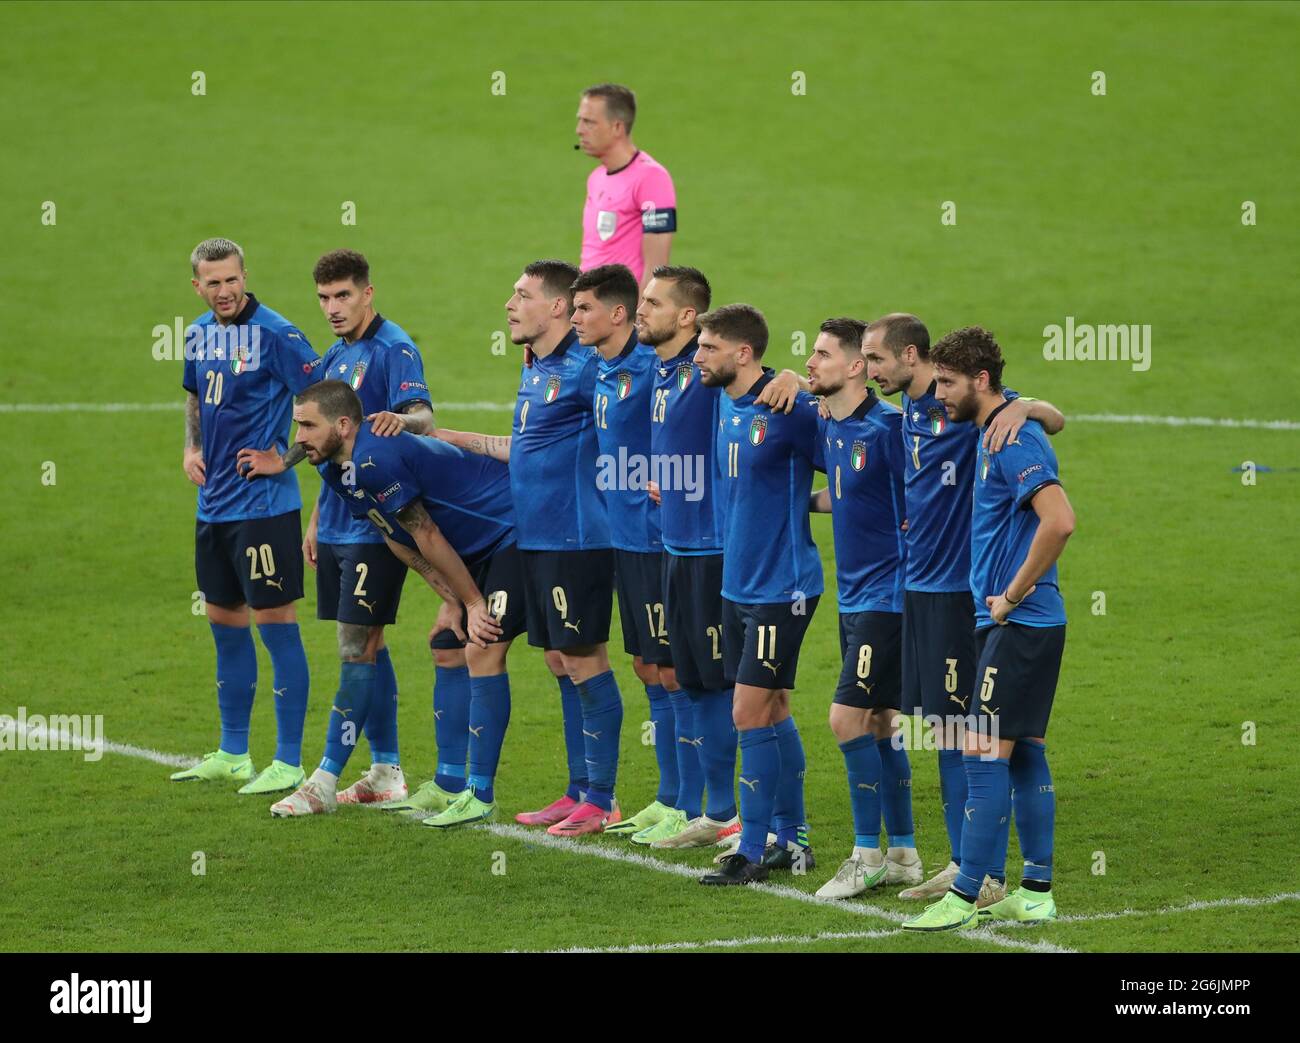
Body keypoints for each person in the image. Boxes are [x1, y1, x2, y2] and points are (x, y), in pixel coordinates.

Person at [861, 313, 1064, 904]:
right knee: (962, 732)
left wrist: (1028, 408)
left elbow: (1050, 427)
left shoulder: (989, 420)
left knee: (971, 736)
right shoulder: (915, 416)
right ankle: (1005, 878)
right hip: (926, 590)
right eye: (864, 358)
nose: (873, 369)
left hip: (973, 599)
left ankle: (975, 874)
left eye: (879, 358)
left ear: (914, 359)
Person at [239, 249, 434, 808]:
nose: (332, 307)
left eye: (343, 295)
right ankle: (387, 770)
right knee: (369, 644)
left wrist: (405, 419)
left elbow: (423, 413)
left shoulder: (393, 348)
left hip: (378, 521)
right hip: (338, 522)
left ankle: (321, 779)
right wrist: (318, 514)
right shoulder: (335, 353)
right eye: (324, 297)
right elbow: (318, 433)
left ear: (367, 293)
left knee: (355, 644)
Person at [271, 381, 518, 822]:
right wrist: (451, 599)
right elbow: (395, 536)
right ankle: (448, 783)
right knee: (447, 645)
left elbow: (426, 533)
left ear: (343, 425)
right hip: (472, 548)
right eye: (297, 426)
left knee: (487, 644)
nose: (300, 437)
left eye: (308, 425)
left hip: (507, 528)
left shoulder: (376, 459)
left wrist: (474, 601)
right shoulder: (333, 467)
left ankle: (481, 795)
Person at [438, 261, 625, 836]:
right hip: (530, 536)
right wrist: (445, 437)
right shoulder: (537, 365)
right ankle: (553, 790)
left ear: (558, 307)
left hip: (576, 537)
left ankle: (602, 798)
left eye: (521, 295)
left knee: (582, 658)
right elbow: (522, 447)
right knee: (524, 651)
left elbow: (650, 388)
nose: (509, 304)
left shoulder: (588, 366)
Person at [633, 268, 803, 851]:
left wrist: (793, 376)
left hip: (716, 552)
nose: (640, 311)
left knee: (729, 689)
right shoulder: (663, 370)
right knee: (691, 680)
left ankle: (732, 814)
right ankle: (707, 807)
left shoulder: (708, 377)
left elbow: (772, 392)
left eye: (652, 302)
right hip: (676, 545)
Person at [171, 237, 321, 795]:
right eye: (213, 283)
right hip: (214, 509)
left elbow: (328, 404)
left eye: (232, 280)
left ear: (244, 276)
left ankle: (287, 761)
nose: (225, 291)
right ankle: (234, 752)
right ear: (198, 287)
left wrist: (283, 457)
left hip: (264, 511)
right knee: (225, 627)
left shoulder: (278, 335)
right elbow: (194, 394)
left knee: (276, 629)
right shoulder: (197, 332)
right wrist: (191, 447)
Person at [693, 304, 823, 886]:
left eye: (708, 347)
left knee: (746, 711)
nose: (697, 356)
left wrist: (799, 382)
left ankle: (750, 848)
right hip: (739, 581)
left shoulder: (788, 407)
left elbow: (853, 444)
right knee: (772, 709)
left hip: (784, 587)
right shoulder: (726, 397)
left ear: (742, 354)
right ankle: (792, 842)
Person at [804, 319, 923, 898]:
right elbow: (851, 495)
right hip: (854, 595)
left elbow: (928, 497)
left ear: (856, 367)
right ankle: (902, 851)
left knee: (845, 718)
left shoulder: (888, 430)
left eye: (822, 354)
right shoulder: (833, 424)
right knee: (880, 724)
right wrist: (799, 501)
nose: (810, 362)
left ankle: (864, 853)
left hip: (889, 597)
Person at [569, 264, 685, 839]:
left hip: (660, 537)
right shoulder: (596, 366)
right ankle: (669, 798)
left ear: (618, 313)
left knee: (674, 671)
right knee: (647, 665)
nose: (573, 319)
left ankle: (695, 804)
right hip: (623, 537)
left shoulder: (653, 365)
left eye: (584, 309)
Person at [577, 84, 675, 287]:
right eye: (580, 121)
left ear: (617, 127)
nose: (579, 130)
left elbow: (657, 267)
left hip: (621, 313)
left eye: (589, 122)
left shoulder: (651, 178)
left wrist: (640, 318)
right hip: (590, 309)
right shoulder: (596, 178)